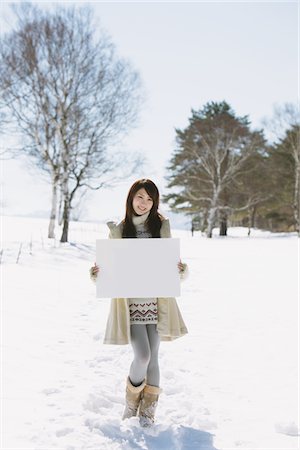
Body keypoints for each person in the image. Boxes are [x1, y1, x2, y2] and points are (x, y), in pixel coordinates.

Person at [89, 178, 188, 427]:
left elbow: (172, 267)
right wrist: (98, 273)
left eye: (150, 199)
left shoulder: (160, 228)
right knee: (142, 356)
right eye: (140, 197)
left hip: (157, 302)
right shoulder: (120, 230)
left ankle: (148, 412)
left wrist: (180, 269)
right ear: (131, 198)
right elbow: (109, 270)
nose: (144, 203)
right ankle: (132, 402)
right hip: (130, 305)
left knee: (154, 356)